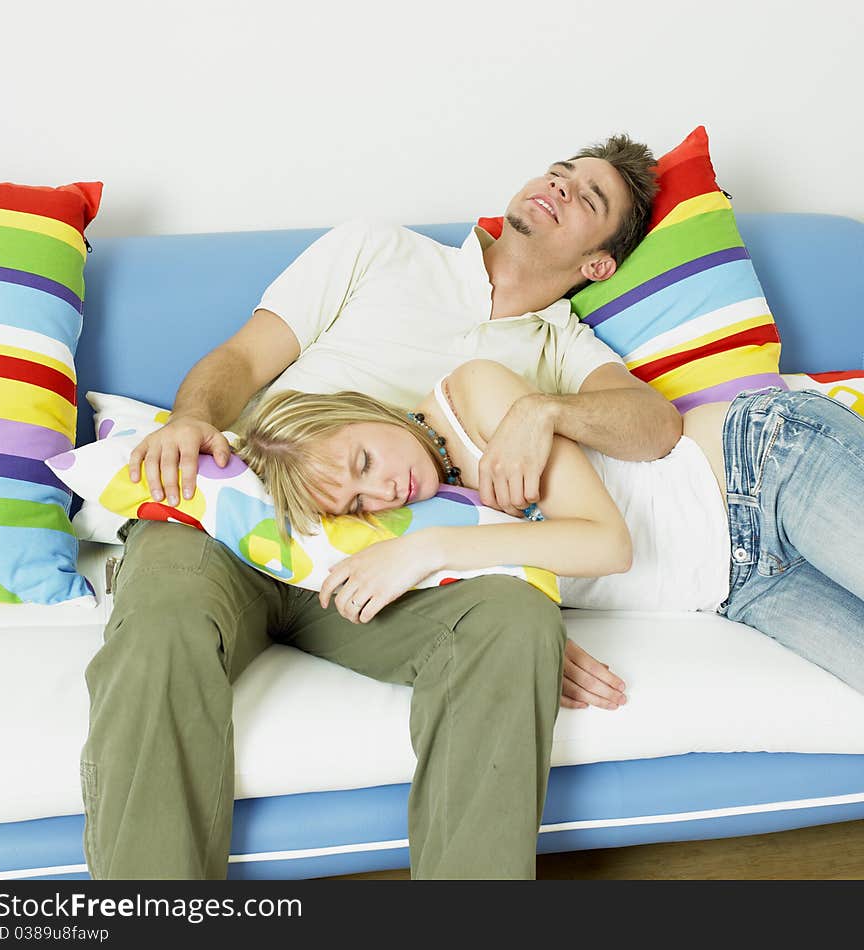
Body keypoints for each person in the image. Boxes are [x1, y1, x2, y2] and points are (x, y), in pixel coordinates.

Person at [81, 134, 680, 880]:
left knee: (516, 624)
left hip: (396, 571)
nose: (557, 188)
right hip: (252, 514)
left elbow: (655, 427)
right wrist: (193, 418)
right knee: (163, 612)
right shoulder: (379, 250)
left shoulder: (561, 349)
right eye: (557, 173)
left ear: (598, 265)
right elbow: (239, 359)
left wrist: (543, 415)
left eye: (586, 197)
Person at [235, 359, 864, 699]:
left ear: (358, 410)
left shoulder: (473, 396)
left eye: (364, 462)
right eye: (355, 503)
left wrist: (427, 550)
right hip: (744, 585)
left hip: (765, 467)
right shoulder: (410, 521)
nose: (380, 492)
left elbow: (606, 543)